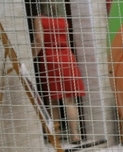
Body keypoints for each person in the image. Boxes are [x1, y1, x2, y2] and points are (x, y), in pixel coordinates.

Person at [32, 4, 85, 144]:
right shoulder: (63, 20)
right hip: (67, 57)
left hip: (50, 58)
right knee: (69, 99)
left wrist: (30, 56)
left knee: (53, 99)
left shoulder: (39, 19)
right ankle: (75, 135)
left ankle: (56, 135)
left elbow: (39, 40)